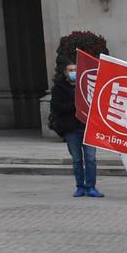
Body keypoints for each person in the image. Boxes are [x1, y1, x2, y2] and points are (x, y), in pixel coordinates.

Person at [47, 61, 94, 199]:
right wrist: (76, 104)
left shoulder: (85, 86)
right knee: (77, 160)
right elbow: (57, 107)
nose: (73, 72)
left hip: (87, 128)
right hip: (71, 129)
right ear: (66, 73)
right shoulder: (58, 88)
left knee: (91, 159)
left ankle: (91, 187)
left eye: (75, 69)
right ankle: (80, 186)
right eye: (70, 70)